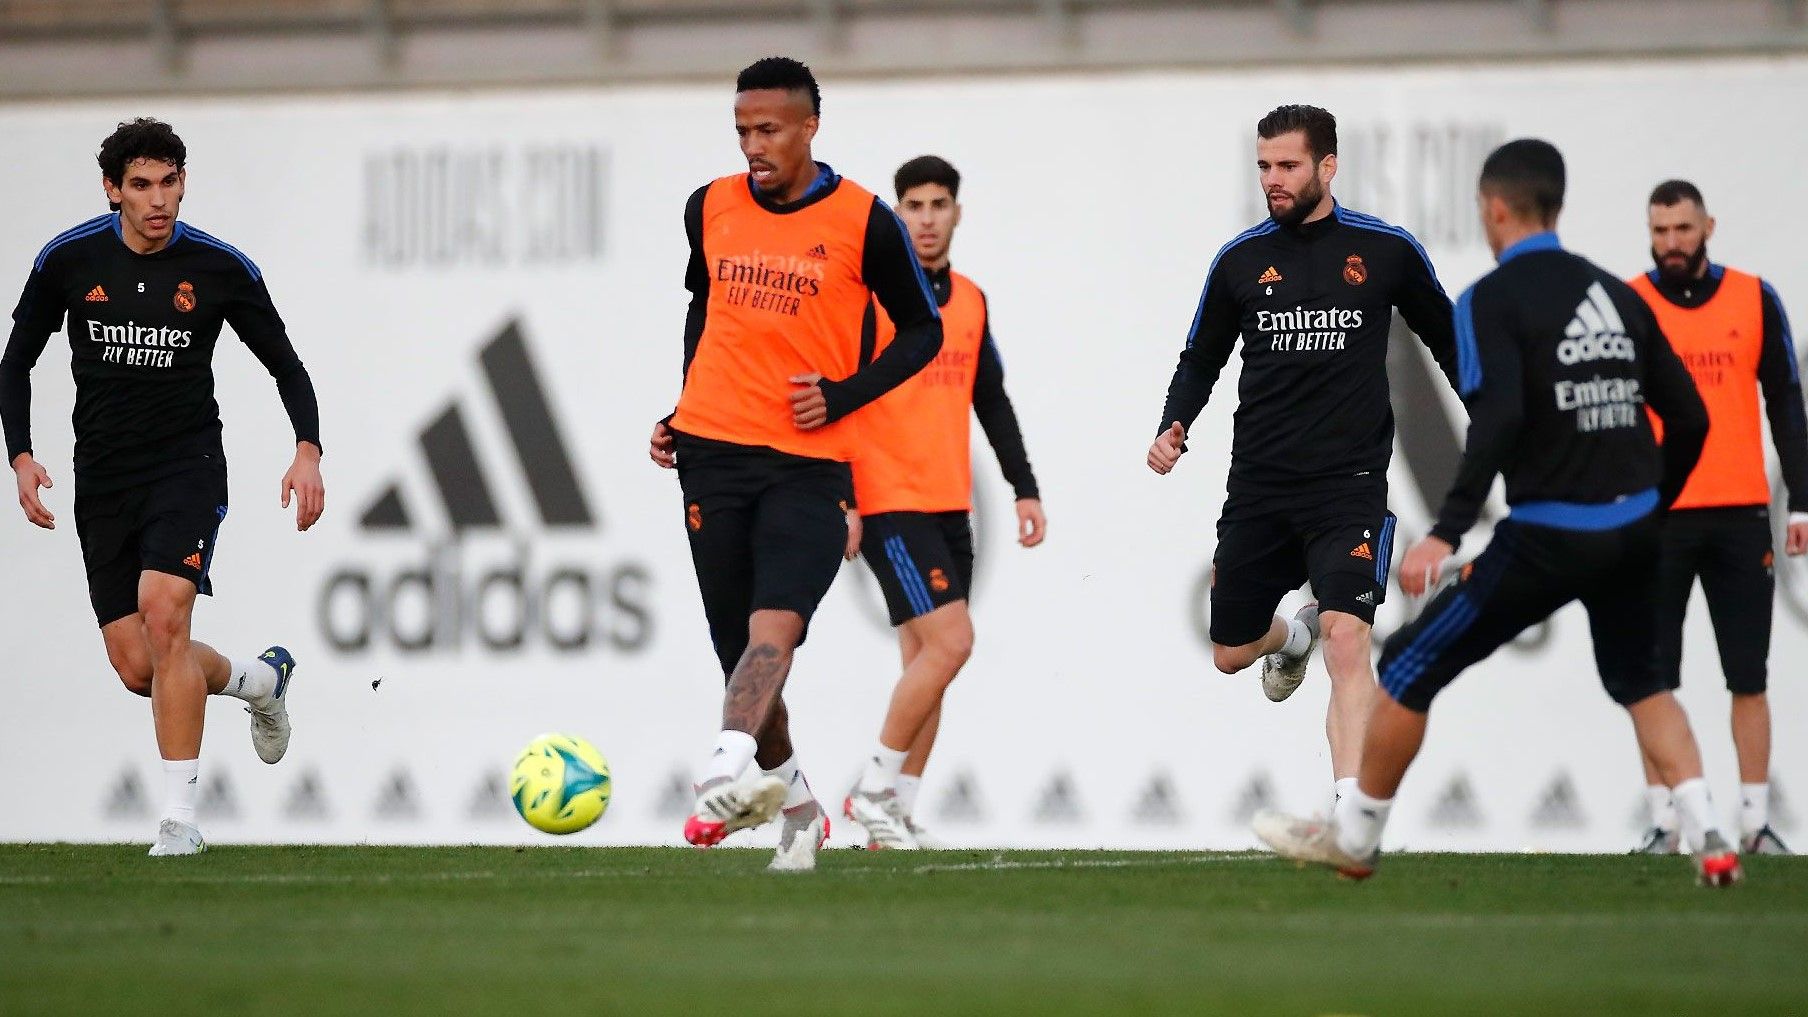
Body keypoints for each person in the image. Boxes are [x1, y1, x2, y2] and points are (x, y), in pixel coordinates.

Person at [1254, 138, 1744, 887]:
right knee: (1647, 684)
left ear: (1495, 209)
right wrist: (1652, 500)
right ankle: (1710, 831)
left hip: (1548, 534)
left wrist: (1447, 528)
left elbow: (1498, 420)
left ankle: (1355, 835)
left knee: (1408, 663)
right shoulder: (1617, 294)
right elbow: (1691, 418)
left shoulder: (1489, 299)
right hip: (1633, 530)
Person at [647, 57, 943, 871]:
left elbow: (924, 333)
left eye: (768, 129)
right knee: (739, 658)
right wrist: (680, 408)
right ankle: (802, 807)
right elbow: (704, 308)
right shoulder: (707, 206)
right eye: (742, 130)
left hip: (808, 464)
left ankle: (719, 774)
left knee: (772, 631)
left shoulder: (863, 220)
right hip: (709, 452)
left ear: (810, 125)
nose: (753, 145)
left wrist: (845, 395)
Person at [0, 118, 325, 857]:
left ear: (183, 183)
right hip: (104, 479)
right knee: (139, 666)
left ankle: (179, 820)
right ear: (112, 189)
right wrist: (20, 455)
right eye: (140, 185)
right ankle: (259, 681)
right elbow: (14, 362)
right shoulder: (67, 259)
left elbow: (287, 365)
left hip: (186, 467)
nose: (157, 200)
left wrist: (307, 448)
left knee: (164, 612)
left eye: (169, 182)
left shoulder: (218, 268)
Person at [1147, 104, 1457, 809]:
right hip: (1259, 487)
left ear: (1328, 165)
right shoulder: (1240, 260)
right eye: (1263, 166)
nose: (1273, 180)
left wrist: (1499, 428)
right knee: (1230, 650)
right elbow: (1201, 357)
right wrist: (1175, 425)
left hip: (1348, 486)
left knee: (1350, 642)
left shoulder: (1386, 251)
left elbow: (1452, 344)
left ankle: (1352, 811)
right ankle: (1292, 637)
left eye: (1287, 165)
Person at [840, 155, 1045, 849]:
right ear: (898, 215)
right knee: (954, 642)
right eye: (914, 206)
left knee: (924, 665)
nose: (926, 218)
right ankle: (871, 786)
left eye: (937, 205)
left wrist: (1025, 487)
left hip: (948, 504)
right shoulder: (869, 299)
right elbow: (838, 397)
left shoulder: (971, 301)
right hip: (885, 496)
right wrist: (843, 495)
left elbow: (990, 398)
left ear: (956, 212)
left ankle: (890, 814)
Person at [1625, 181, 1805, 857]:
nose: (1671, 242)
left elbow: (1785, 401)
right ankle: (1665, 821)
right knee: (1652, 675)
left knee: (1748, 673)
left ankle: (1756, 821)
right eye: (1660, 230)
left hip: (1739, 514)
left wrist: (1805, 499)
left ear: (1709, 226)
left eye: (1682, 228)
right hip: (1658, 513)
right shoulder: (1630, 303)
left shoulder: (1754, 299)